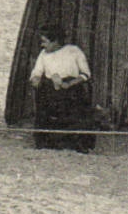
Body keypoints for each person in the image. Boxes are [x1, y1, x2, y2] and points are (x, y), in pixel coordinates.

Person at [28, 23, 94, 152]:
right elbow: (36, 73)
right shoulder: (43, 54)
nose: (42, 45)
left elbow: (86, 74)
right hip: (51, 89)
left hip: (72, 88)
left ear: (56, 41)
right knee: (44, 102)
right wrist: (35, 79)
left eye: (45, 42)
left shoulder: (73, 51)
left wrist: (69, 84)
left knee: (77, 109)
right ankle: (47, 142)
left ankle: (78, 143)